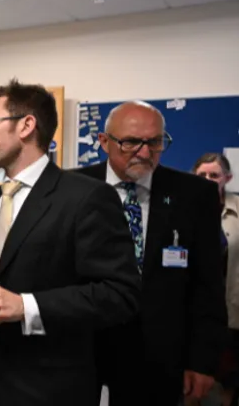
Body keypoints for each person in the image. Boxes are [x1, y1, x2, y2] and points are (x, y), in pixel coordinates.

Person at [0, 79, 141, 406]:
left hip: (50, 388)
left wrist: (27, 306)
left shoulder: (87, 198)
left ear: (26, 125)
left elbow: (119, 293)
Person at [75, 101, 227, 405]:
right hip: (80, 343)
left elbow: (208, 284)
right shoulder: (72, 187)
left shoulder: (195, 195)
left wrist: (201, 360)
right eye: (130, 142)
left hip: (158, 351)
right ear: (104, 142)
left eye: (155, 142)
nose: (144, 153)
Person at [193, 153, 239, 406]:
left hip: (233, 307)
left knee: (230, 374)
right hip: (197, 307)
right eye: (202, 175)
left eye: (215, 175)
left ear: (227, 178)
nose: (209, 180)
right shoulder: (184, 207)